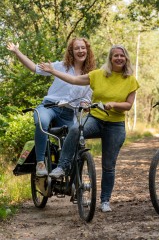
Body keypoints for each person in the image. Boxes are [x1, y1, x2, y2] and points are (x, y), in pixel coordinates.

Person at [40, 45, 139, 213]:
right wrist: (53, 71)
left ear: (126, 58)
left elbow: (128, 105)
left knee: (109, 166)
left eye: (122, 56)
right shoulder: (98, 75)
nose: (119, 58)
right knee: (75, 129)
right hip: (96, 119)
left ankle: (105, 201)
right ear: (110, 58)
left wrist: (114, 105)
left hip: (115, 125)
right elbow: (74, 80)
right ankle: (63, 166)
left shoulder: (131, 80)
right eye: (115, 56)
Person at [6, 39, 95, 176]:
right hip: (49, 107)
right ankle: (40, 162)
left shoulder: (91, 75)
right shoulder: (61, 66)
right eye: (76, 48)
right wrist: (17, 52)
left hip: (69, 113)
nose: (80, 51)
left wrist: (85, 104)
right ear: (71, 51)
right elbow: (34, 68)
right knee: (42, 122)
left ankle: (69, 177)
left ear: (87, 50)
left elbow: (86, 98)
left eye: (83, 48)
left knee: (75, 137)